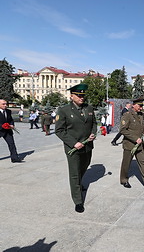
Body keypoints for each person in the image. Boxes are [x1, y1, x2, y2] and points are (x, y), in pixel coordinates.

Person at [55, 84, 97, 213]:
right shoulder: (64, 110)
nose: (81, 98)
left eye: (83, 95)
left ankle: (78, 184)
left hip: (87, 146)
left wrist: (93, 133)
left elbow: (94, 123)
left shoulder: (88, 108)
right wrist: (74, 143)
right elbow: (59, 130)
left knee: (83, 167)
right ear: (71, 96)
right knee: (74, 173)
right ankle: (78, 201)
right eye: (78, 95)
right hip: (73, 147)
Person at [119, 96, 144, 189]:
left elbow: (142, 126)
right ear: (133, 105)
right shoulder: (127, 115)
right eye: (139, 106)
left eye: (142, 106)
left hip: (140, 144)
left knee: (143, 162)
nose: (141, 108)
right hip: (130, 144)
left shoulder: (141, 115)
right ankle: (124, 180)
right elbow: (122, 130)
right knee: (126, 163)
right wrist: (134, 138)